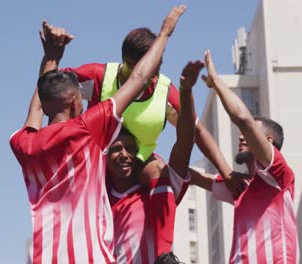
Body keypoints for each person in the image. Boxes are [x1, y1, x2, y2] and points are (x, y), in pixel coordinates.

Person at [9, 6, 186, 264]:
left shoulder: (22, 143)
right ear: (74, 102)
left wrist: (51, 57)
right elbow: (138, 77)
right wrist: (165, 33)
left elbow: (38, 103)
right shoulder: (86, 131)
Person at [49, 22, 243, 195]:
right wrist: (52, 54)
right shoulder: (99, 76)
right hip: (98, 168)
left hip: (139, 168)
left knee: (161, 171)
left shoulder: (165, 91)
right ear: (129, 63)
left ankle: (213, 186)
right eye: (151, 67)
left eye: (159, 64)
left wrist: (226, 171)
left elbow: (197, 131)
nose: (156, 73)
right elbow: (50, 86)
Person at [189, 50, 299, 264]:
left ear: (267, 143)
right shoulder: (240, 187)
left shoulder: (279, 178)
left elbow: (243, 119)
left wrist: (217, 82)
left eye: (250, 135)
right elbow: (192, 175)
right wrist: (177, 114)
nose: (241, 136)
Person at [106, 58, 201, 263]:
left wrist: (185, 92)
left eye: (131, 149)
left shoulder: (158, 189)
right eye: (116, 149)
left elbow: (184, 144)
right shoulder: (97, 199)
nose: (124, 154)